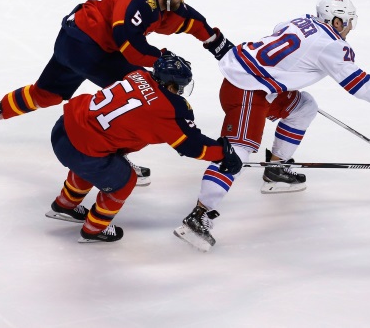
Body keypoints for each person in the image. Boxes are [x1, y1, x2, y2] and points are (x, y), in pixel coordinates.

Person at [173, 0, 370, 251]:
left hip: (257, 85)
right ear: (335, 21)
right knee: (237, 152)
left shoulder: (303, 21)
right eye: (347, 22)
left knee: (304, 106)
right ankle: (198, 215)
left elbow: (279, 32)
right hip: (247, 91)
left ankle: (276, 169)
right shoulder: (331, 46)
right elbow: (356, 83)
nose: (349, 28)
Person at [0, 0, 234, 186]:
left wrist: (221, 46)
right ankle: (111, 160)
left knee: (46, 93)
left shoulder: (158, 3)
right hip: (89, 48)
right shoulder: (139, 4)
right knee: (140, 95)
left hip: (75, 38)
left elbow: (192, 21)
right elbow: (131, 49)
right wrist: (162, 58)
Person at [45, 54, 242, 243]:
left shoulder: (137, 74)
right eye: (178, 87)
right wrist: (223, 154)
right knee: (124, 180)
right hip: (83, 151)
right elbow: (192, 145)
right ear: (170, 84)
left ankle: (65, 205)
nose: (180, 91)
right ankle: (94, 229)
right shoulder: (167, 110)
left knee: (97, 163)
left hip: (63, 129)